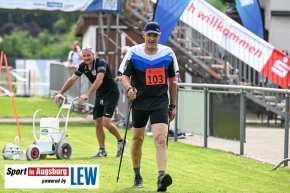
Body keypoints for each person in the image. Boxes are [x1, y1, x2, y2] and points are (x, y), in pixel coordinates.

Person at [118, 21, 179, 192]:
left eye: (155, 35)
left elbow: (173, 80)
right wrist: (129, 89)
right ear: (143, 34)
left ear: (159, 36)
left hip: (160, 102)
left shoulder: (168, 54)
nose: (152, 38)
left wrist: (173, 104)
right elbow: (124, 76)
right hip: (140, 101)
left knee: (160, 138)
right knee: (138, 140)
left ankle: (161, 177)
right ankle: (137, 175)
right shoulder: (133, 53)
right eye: (149, 34)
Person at [54, 46, 128, 158]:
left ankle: (121, 141)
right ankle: (102, 150)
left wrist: (87, 94)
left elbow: (99, 79)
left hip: (111, 93)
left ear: (93, 55)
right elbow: (72, 79)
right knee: (98, 121)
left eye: (89, 55)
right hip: (100, 94)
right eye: (84, 56)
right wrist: (60, 93)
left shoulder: (101, 63)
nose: (87, 58)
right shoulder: (83, 66)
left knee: (106, 122)